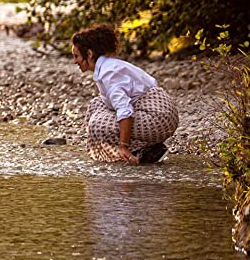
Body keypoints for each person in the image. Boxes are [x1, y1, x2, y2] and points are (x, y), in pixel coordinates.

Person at [71, 24, 178, 164]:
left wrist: (123, 145)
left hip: (159, 117)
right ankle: (146, 149)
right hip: (158, 111)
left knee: (97, 125)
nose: (75, 61)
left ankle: (141, 151)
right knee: (96, 105)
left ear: (89, 54)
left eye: (76, 56)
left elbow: (125, 111)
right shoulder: (108, 67)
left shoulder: (109, 72)